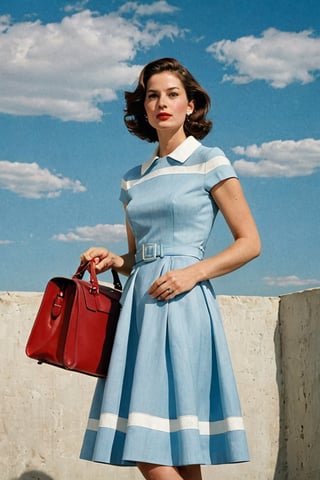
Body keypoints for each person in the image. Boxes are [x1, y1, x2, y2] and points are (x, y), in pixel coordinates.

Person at [80, 57, 261, 480]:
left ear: (191, 105)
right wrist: (112, 260)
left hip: (184, 305)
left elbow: (250, 243)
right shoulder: (132, 180)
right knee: (168, 444)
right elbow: (137, 255)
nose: (162, 102)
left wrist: (193, 273)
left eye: (172, 94)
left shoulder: (210, 160)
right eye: (152, 95)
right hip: (139, 311)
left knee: (153, 445)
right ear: (142, 107)